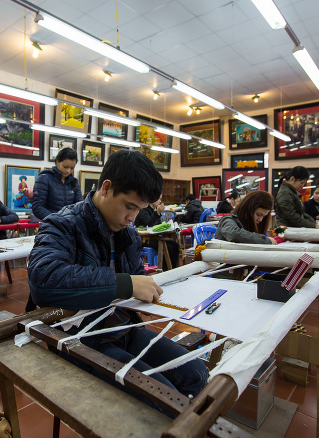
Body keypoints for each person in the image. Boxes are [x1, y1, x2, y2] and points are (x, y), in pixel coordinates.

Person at [27, 149, 207, 413]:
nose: (133, 218)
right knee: (165, 400)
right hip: (79, 338)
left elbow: (136, 282)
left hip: (120, 328)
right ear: (107, 188)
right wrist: (126, 284)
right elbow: (44, 279)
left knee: (197, 374)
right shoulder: (62, 224)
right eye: (130, 207)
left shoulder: (129, 235)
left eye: (140, 210)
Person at [32, 148, 83, 220]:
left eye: (72, 168)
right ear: (57, 161)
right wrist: (57, 220)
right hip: (50, 225)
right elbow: (37, 207)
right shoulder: (45, 178)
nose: (68, 171)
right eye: (65, 167)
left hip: (69, 225)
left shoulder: (74, 182)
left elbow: (80, 206)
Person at [134, 195, 180, 270]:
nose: (160, 201)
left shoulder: (153, 210)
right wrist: (157, 213)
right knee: (170, 247)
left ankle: (172, 270)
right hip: (144, 239)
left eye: (160, 199)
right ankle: (166, 270)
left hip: (154, 237)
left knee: (175, 245)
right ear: (152, 199)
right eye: (158, 199)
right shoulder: (144, 210)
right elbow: (149, 225)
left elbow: (158, 227)